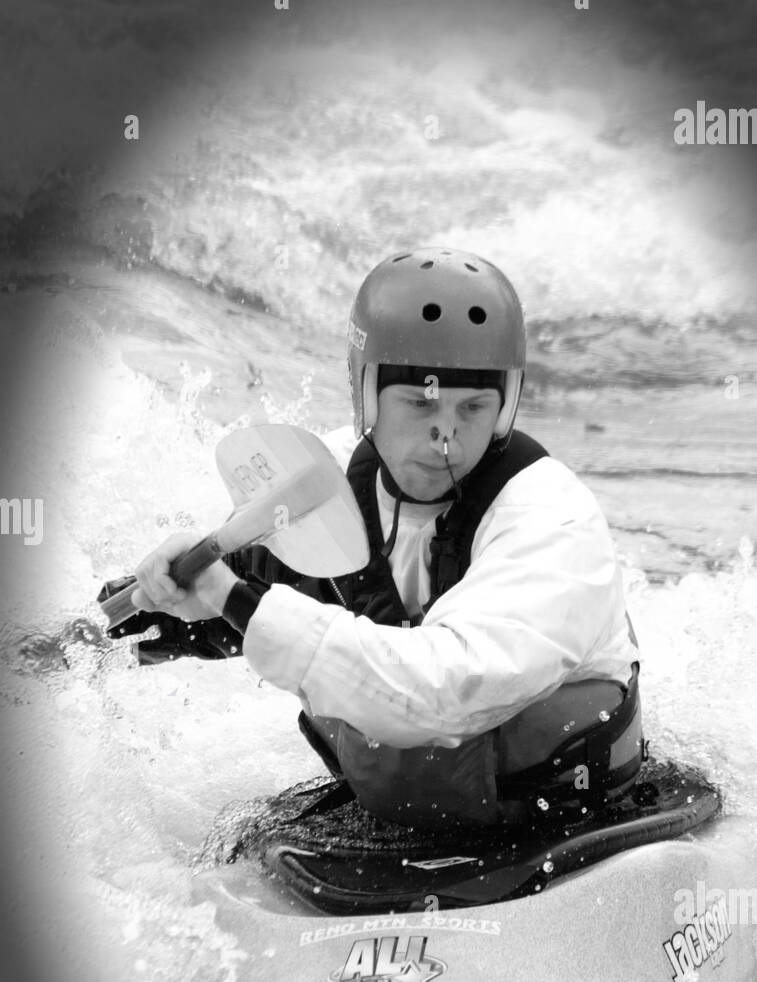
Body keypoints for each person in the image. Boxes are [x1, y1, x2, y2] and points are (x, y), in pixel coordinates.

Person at [102, 247, 643, 829]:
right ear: (366, 395)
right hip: (410, 800)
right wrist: (160, 606)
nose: (447, 440)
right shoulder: (325, 479)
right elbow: (255, 588)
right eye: (420, 403)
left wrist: (231, 599)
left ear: (505, 404)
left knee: (412, 732)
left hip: (564, 813)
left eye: (475, 407)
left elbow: (440, 696)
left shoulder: (553, 521)